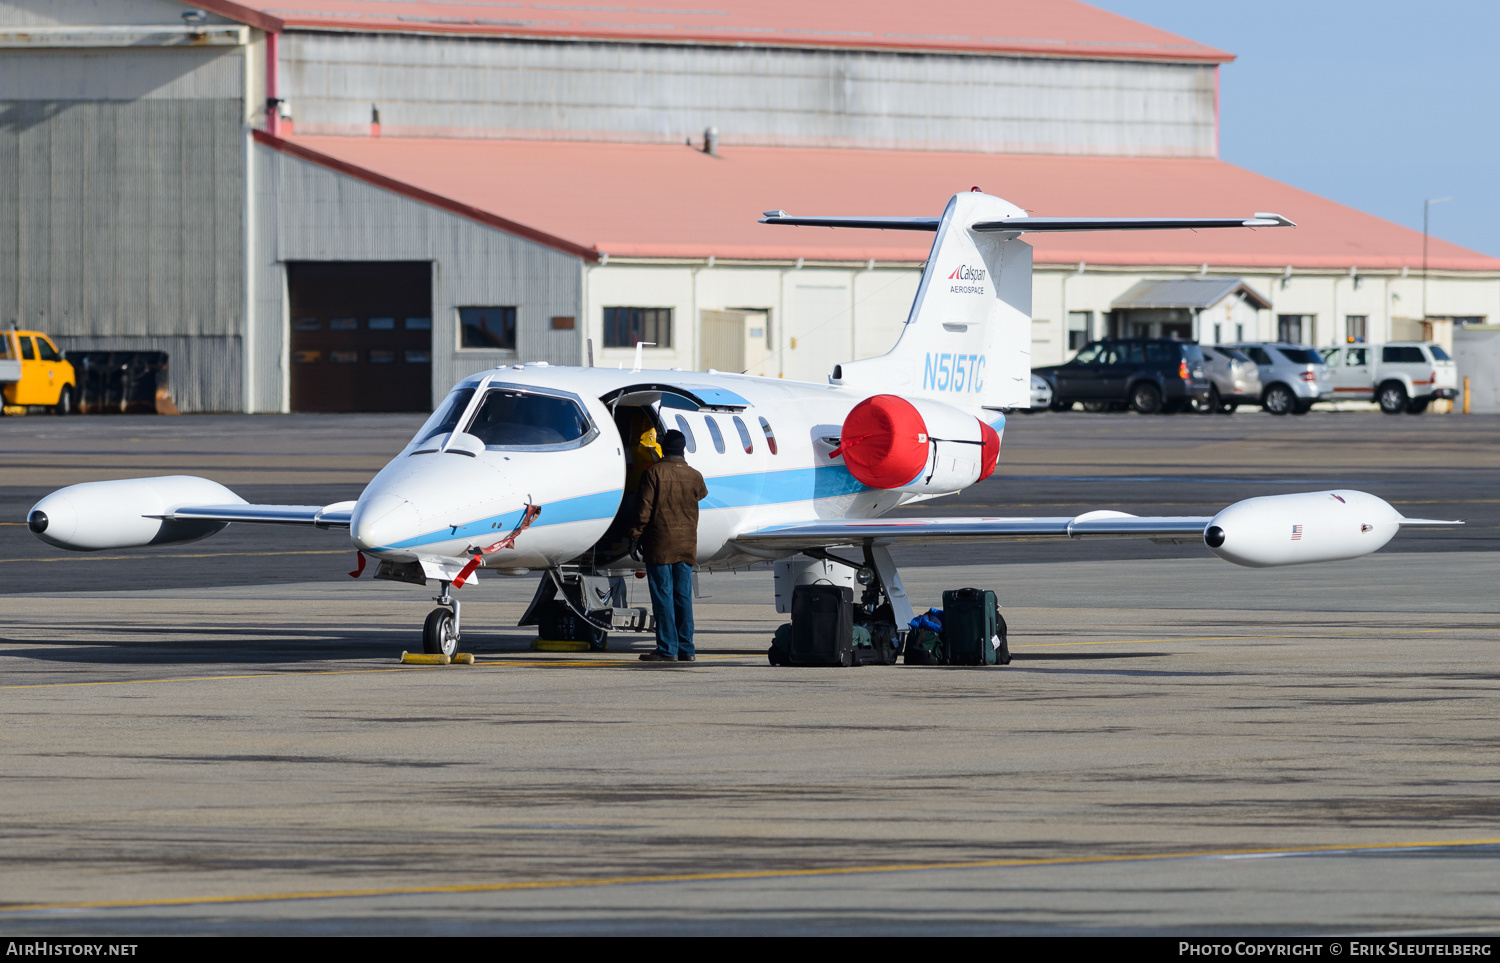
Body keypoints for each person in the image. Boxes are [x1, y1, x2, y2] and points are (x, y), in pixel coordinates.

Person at [629, 428, 707, 663]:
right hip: (686, 544)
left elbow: (644, 510)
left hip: (660, 544)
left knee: (663, 597)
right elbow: (701, 494)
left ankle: (667, 649)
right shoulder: (695, 475)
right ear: (682, 448)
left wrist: (634, 536)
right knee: (683, 597)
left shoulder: (654, 473)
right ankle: (687, 648)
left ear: (664, 448)